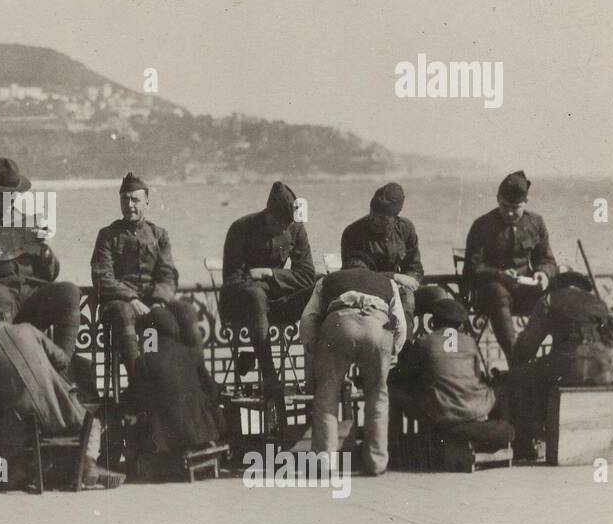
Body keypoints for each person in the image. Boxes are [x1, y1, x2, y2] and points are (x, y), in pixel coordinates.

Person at [0, 157, 90, 393]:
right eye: (0, 195)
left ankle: (60, 370)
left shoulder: (28, 221)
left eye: (11, 195)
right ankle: (11, 386)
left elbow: (51, 274)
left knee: (69, 292)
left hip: (30, 297)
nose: (7, 200)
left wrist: (45, 251)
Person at [0, 307, 124, 490]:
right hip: (63, 414)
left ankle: (19, 468)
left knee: (4, 429)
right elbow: (62, 360)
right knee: (93, 424)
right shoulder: (28, 329)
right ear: (3, 318)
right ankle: (88, 463)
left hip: (23, 426)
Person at [218, 181, 315, 417]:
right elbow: (232, 280)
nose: (283, 229)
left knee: (319, 287)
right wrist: (260, 285)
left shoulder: (295, 229)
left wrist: (269, 274)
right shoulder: (241, 228)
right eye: (278, 222)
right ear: (267, 213)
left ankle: (318, 373)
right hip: (241, 305)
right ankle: (270, 375)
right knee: (255, 295)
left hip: (275, 305)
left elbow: (307, 275)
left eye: (287, 224)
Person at [299, 266, 406, 475]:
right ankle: (376, 462)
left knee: (327, 395)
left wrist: (312, 346)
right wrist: (394, 351)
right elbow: (401, 324)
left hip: (339, 325)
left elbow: (308, 318)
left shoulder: (327, 280)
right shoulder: (387, 282)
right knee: (378, 394)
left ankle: (324, 464)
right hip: (378, 327)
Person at [91, 172, 199, 378]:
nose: (129, 205)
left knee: (175, 316)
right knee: (125, 315)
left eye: (135, 200)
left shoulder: (159, 235)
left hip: (150, 304)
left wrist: (158, 301)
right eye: (125, 199)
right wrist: (130, 298)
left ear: (147, 201)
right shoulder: (107, 235)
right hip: (118, 305)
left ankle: (184, 383)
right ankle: (138, 384)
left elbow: (167, 275)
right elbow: (101, 276)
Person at [508, 272, 613, 461]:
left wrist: (520, 356)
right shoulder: (600, 303)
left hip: (568, 366)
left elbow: (527, 347)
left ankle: (526, 444)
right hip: (601, 370)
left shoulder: (549, 300)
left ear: (558, 285)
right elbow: (612, 342)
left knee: (520, 377)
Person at [122, 309, 224, 482]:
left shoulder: (145, 361)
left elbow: (137, 401)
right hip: (202, 434)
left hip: (168, 441)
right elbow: (213, 391)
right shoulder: (192, 353)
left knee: (138, 417)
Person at [464, 170, 557, 355]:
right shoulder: (482, 226)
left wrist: (543, 274)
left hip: (525, 291)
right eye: (505, 206)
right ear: (498, 198)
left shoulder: (536, 223)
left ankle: (539, 357)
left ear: (525, 203)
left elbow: (547, 259)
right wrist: (500, 275)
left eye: (516, 208)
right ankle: (515, 360)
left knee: (556, 297)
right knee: (497, 292)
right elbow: (472, 269)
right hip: (490, 293)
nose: (510, 212)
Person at [389, 298, 497, 429]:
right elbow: (477, 375)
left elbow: (404, 374)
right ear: (461, 325)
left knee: (393, 390)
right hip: (473, 409)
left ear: (433, 322)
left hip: (439, 412)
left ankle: (394, 442)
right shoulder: (470, 342)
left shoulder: (424, 342)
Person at [340, 182, 423, 322]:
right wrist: (395, 277)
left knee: (434, 295)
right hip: (364, 293)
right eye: (373, 214)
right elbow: (359, 276)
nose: (375, 221)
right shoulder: (353, 233)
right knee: (405, 299)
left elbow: (414, 267)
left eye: (383, 219)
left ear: (395, 219)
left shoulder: (406, 229)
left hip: (396, 291)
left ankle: (406, 343)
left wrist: (410, 280)